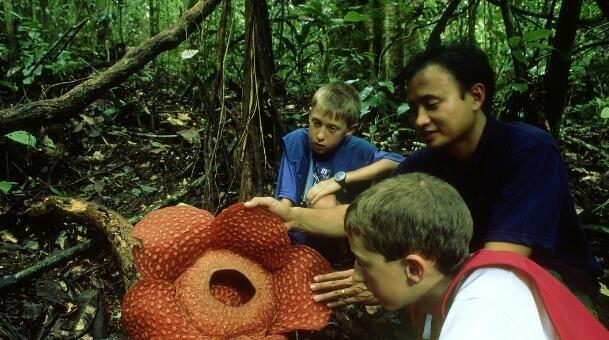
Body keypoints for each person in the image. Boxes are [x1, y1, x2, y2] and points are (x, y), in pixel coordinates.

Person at [245, 43, 601, 306]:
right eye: (415, 107)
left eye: (432, 104)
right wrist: (291, 216)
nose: (419, 120)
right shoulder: (423, 165)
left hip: (550, 284)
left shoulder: (527, 150)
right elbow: (357, 217)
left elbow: (501, 265)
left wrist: (396, 283)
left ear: (476, 96)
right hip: (462, 277)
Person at [342, 173, 608, 339]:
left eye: (364, 264)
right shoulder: (438, 295)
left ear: (414, 269)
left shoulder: (483, 310)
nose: (356, 275)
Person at [275, 81, 403, 258]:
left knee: (323, 201)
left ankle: (331, 261)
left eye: (332, 128)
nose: (320, 135)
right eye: (316, 123)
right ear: (310, 114)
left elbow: (396, 161)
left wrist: (339, 179)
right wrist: (277, 229)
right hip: (297, 236)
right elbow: (286, 198)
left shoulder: (357, 149)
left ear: (350, 129)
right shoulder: (297, 142)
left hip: (338, 240)